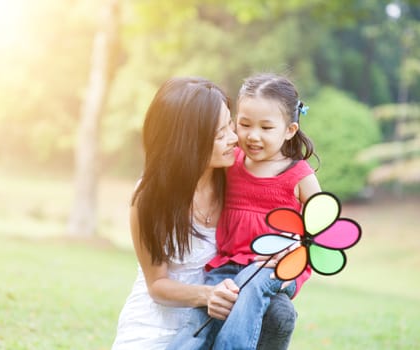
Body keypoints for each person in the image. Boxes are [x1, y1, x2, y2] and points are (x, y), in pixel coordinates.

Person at [112, 77, 297, 349]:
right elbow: (157, 284)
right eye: (220, 134)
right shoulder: (151, 197)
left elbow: (284, 204)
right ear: (187, 141)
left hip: (217, 322)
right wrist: (207, 294)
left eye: (231, 127)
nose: (235, 139)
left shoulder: (235, 176)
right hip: (157, 326)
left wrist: (287, 245)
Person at [167, 73, 322, 350]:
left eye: (266, 127)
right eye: (245, 124)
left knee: (249, 290)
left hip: (274, 268)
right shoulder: (232, 161)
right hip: (227, 263)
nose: (252, 136)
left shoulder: (299, 175)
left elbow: (323, 227)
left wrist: (295, 247)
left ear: (289, 130)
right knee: (203, 314)